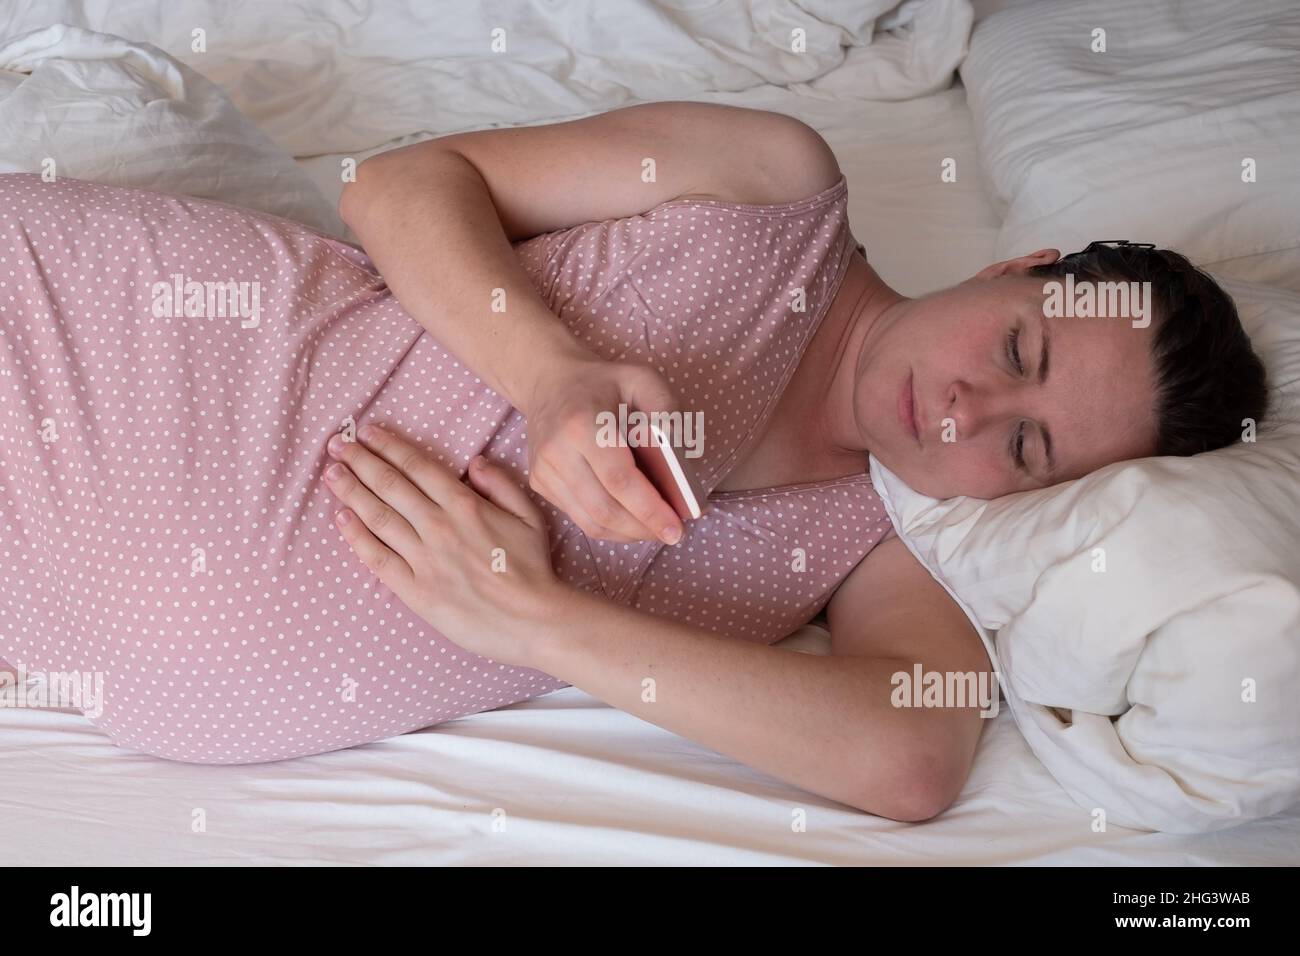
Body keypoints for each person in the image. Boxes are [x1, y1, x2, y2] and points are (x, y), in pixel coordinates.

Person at [0, 102, 1266, 822]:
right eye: (1019, 347)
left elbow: (908, 760)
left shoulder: (882, 540)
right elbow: (397, 185)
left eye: (1026, 446)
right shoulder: (772, 189)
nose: (967, 407)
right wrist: (548, 371)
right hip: (84, 344)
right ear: (1015, 269)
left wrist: (536, 620)